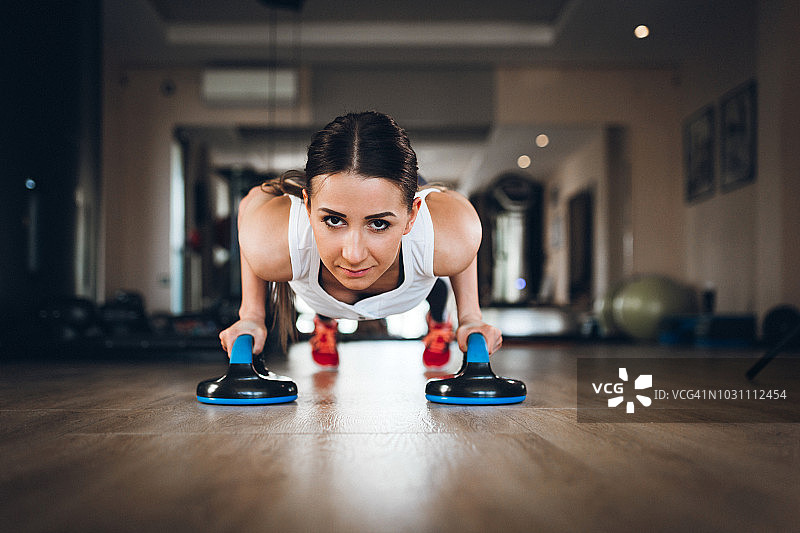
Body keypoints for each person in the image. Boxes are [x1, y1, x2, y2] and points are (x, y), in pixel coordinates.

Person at [218, 111, 502, 367]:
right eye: (333, 220)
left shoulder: (449, 233)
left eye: (379, 223)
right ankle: (325, 321)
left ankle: (438, 322)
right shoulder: (274, 242)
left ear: (412, 216)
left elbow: (459, 225)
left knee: (438, 242)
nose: (354, 255)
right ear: (307, 208)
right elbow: (251, 202)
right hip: (330, 219)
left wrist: (470, 318)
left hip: (416, 208)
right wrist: (251, 316)